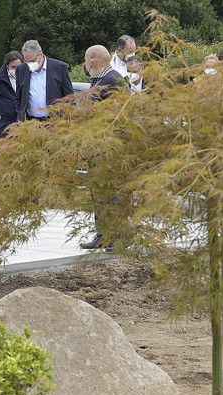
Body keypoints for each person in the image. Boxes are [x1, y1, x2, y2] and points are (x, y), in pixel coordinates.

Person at [78, 45, 126, 251]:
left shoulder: (113, 79)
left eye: (86, 60)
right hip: (96, 144)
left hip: (109, 144)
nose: (85, 64)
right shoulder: (99, 79)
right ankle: (102, 234)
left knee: (111, 191)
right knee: (98, 190)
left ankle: (118, 236)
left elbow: (117, 114)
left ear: (94, 60)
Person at [14, 40, 74, 122]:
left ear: (41, 55)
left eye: (32, 61)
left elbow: (69, 96)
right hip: (31, 122)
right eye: (26, 62)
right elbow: (19, 96)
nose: (29, 64)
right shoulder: (21, 69)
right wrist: (20, 114)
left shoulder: (59, 67)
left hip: (55, 122)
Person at [0, 51, 23, 139]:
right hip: (2, 124)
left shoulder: (25, 79)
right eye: (13, 67)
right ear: (7, 66)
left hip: (20, 123)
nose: (16, 70)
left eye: (18, 67)